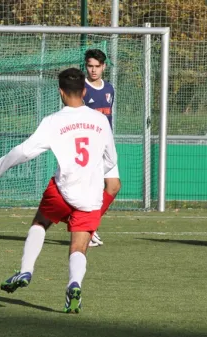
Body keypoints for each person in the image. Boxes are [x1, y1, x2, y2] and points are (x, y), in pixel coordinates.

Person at [0, 68, 117, 313]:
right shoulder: (101, 120)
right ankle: (74, 284)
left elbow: (24, 151)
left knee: (40, 222)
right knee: (79, 247)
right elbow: (111, 168)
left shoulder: (54, 121)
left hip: (62, 190)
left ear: (60, 92)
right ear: (85, 91)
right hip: (91, 196)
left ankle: (26, 269)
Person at [83, 49, 121, 247]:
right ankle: (87, 228)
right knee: (94, 190)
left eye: (97, 66)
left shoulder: (109, 88)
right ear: (86, 66)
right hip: (90, 147)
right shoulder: (81, 88)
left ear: (104, 67)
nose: (93, 70)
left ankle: (89, 226)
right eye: (90, 66)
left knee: (114, 186)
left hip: (107, 145)